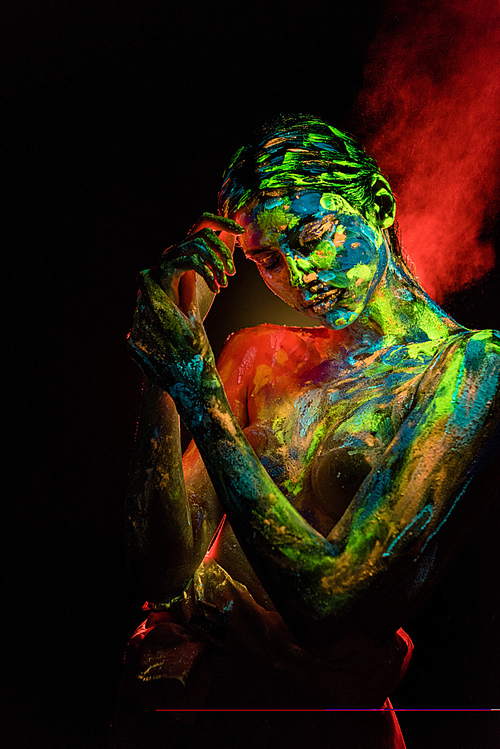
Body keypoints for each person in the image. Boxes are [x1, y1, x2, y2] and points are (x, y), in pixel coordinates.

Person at [114, 115, 499, 747]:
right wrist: (168, 357)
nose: (297, 273)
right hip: (190, 717)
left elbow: (333, 602)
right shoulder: (256, 356)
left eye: (313, 234)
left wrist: (198, 392)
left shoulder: (472, 369)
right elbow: (160, 572)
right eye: (266, 258)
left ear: (376, 205)